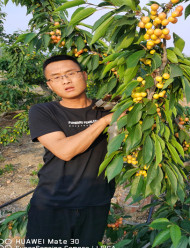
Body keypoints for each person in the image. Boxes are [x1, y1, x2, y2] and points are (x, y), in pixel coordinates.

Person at [26, 54, 120, 247]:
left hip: (96, 203)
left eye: (71, 73)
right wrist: (104, 121)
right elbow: (64, 150)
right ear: (50, 85)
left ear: (84, 75)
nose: (66, 80)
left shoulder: (107, 108)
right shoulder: (43, 111)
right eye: (57, 77)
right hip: (52, 204)